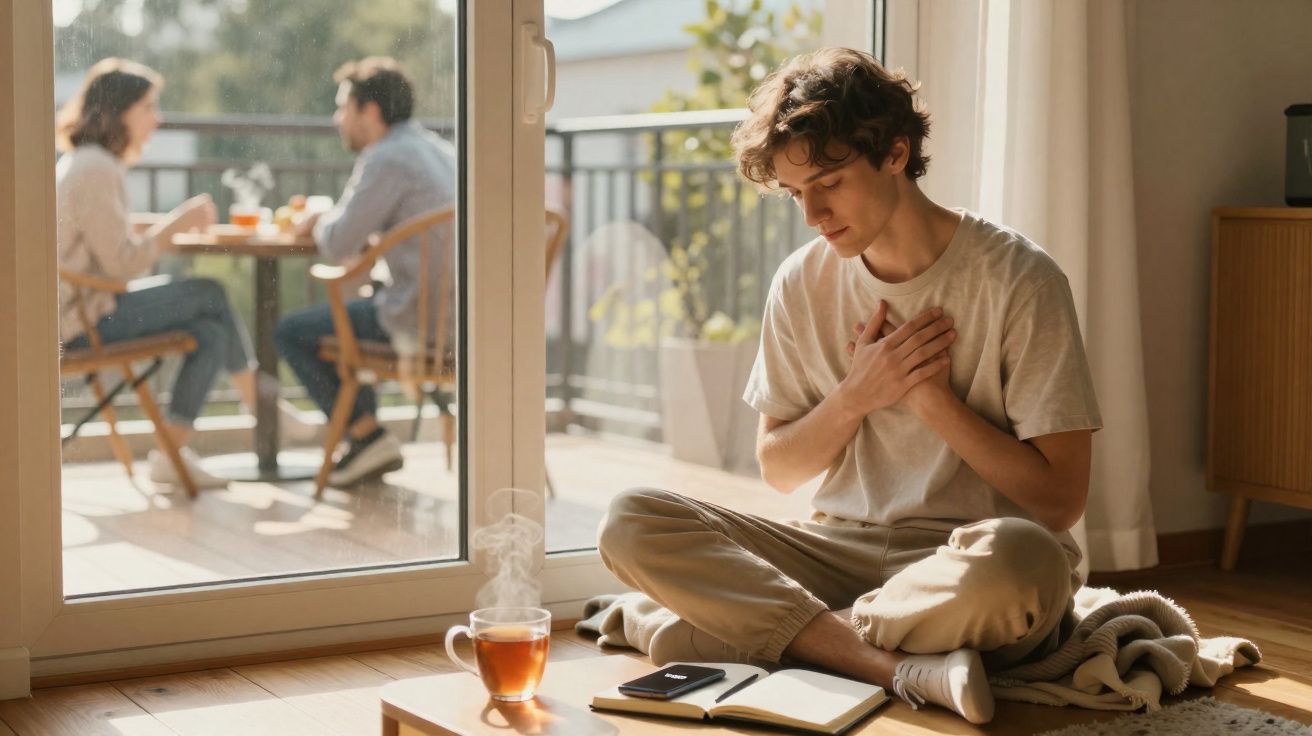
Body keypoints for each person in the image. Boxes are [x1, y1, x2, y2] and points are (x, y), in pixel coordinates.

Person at [596, 48, 1102, 725]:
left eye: (828, 183)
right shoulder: (802, 282)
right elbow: (778, 468)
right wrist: (857, 395)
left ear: (894, 154)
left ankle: (785, 633)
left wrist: (930, 400)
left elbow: (1060, 500)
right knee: (631, 519)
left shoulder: (1020, 279)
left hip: (966, 561)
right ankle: (885, 663)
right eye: (795, 193)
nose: (812, 214)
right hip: (836, 551)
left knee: (1026, 563)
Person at [56, 58, 270, 490]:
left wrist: (163, 225)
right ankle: (264, 410)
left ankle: (171, 453)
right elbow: (122, 264)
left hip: (82, 312)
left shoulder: (87, 162)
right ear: (120, 110)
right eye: (149, 106)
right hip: (82, 323)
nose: (158, 117)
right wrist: (174, 226)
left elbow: (105, 236)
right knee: (209, 292)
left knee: (210, 331)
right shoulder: (96, 168)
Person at [276, 57, 457, 487]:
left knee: (291, 331)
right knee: (355, 314)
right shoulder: (441, 151)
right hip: (469, 324)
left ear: (370, 112)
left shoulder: (388, 158)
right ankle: (366, 445)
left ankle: (367, 435)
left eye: (344, 108)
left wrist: (318, 215)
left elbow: (338, 244)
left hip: (422, 327)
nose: (338, 119)